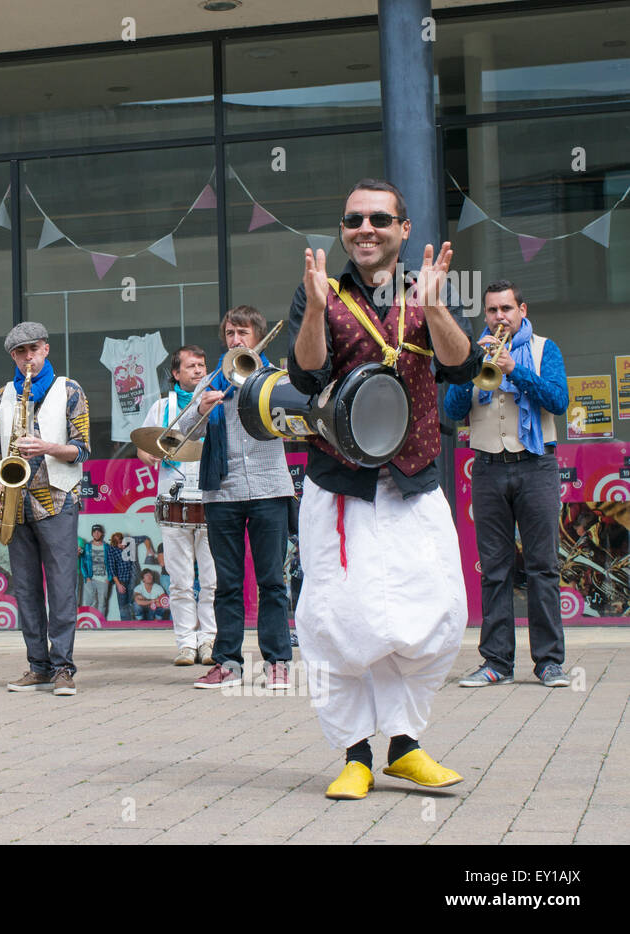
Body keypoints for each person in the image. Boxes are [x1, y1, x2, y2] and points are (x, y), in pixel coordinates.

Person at [288, 177, 482, 800]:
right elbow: (307, 369)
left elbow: (461, 366)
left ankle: (404, 745)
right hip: (339, 485)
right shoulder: (319, 290)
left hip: (413, 480)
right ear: (343, 231)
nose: (363, 229)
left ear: (402, 229)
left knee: (435, 611)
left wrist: (436, 308)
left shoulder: (426, 290)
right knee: (335, 621)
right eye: (352, 220)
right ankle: (354, 754)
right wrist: (316, 309)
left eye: (378, 219)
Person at [445, 280, 570, 689]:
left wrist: (517, 371)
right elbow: (451, 410)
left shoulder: (543, 349)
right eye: (493, 310)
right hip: (487, 468)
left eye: (506, 309)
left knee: (542, 568)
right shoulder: (474, 352)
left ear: (522, 310)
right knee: (494, 570)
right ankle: (496, 662)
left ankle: (549, 663)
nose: (500, 317)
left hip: (536, 465)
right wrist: (470, 366)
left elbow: (558, 400)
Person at [0, 322, 90, 697]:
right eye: (20, 352)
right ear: (13, 356)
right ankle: (38, 666)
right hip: (16, 502)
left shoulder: (70, 390)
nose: (28, 357)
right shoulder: (0, 397)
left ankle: (63, 668)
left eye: (34, 350)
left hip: (58, 499)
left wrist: (47, 447)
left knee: (61, 588)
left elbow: (83, 449)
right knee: (26, 589)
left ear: (46, 349)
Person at [192, 307, 296, 692]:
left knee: (272, 581)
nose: (236, 339)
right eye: (231, 333)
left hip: (269, 488)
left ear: (258, 337)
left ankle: (278, 663)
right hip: (222, 491)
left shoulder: (275, 378)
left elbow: (292, 423)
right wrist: (202, 411)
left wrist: (262, 392)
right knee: (227, 584)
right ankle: (228, 663)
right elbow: (183, 432)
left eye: (243, 332)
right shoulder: (212, 380)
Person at [138, 344, 219, 666]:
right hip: (173, 498)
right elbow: (144, 449)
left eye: (201, 365)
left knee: (212, 580)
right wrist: (149, 455)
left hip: (211, 496)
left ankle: (209, 640)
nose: (198, 370)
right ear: (176, 374)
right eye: (191, 366)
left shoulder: (216, 403)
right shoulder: (161, 408)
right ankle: (186, 643)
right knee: (181, 580)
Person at [79, 524, 112, 617]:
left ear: (101, 533)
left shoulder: (107, 547)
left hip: (104, 579)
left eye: (98, 532)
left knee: (103, 603)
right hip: (90, 578)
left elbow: (111, 562)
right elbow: (83, 563)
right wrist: (86, 577)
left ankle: (101, 625)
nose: (96, 534)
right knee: (89, 602)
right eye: (94, 532)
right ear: (92, 534)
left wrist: (109, 578)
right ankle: (90, 622)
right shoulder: (87, 547)